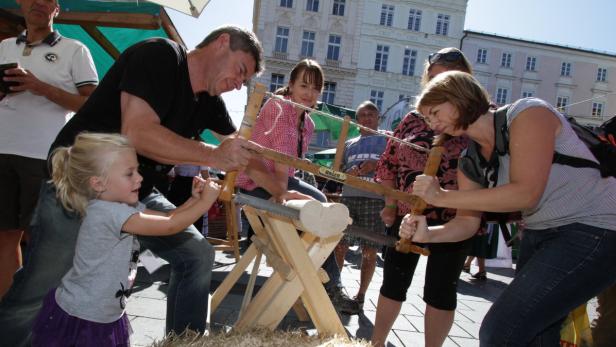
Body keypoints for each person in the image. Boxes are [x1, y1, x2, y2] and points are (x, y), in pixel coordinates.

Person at [0, 25, 263, 345]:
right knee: (39, 292)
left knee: (197, 256)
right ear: (222, 43)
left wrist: (282, 188)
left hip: (133, 187)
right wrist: (215, 156)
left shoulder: (208, 99)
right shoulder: (160, 55)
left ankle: (186, 343)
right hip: (80, 181)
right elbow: (137, 133)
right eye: (240, 71)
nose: (239, 85)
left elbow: (240, 152)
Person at [404, 70, 616, 345]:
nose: (432, 124)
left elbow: (526, 193)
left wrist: (442, 197)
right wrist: (427, 234)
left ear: (459, 97)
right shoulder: (471, 160)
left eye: (434, 112)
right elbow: (466, 224)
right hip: (542, 234)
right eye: (427, 118)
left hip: (597, 229)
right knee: (536, 337)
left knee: (499, 331)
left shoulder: (529, 113)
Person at [31, 133, 220, 346]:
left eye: (137, 170)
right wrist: (205, 203)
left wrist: (193, 200)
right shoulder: (108, 213)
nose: (139, 178)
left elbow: (168, 218)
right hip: (86, 318)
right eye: (129, 173)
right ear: (98, 183)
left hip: (104, 313)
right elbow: (170, 226)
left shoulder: (122, 208)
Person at [236, 59, 360, 315]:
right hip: (254, 179)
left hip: (279, 178)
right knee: (314, 205)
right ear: (290, 85)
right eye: (303, 85)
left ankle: (327, 284)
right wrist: (282, 193)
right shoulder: (280, 106)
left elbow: (289, 166)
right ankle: (327, 287)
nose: (309, 93)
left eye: (315, 89)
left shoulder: (309, 123)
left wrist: (289, 189)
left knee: (322, 204)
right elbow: (281, 158)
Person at [371, 47, 473, 347]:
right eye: (433, 80)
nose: (440, 87)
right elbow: (388, 161)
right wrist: (390, 205)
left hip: (456, 219)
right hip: (407, 215)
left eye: (448, 79)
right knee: (393, 281)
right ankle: (376, 343)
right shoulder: (414, 118)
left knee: (441, 290)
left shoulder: (478, 118)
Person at [0, 0, 97, 298]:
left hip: (47, 157)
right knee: (4, 239)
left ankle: (46, 318)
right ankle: (8, 316)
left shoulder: (75, 49)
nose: (39, 3)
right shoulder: (4, 46)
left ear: (57, 8)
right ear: (21, 3)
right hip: (2, 153)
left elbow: (92, 105)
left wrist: (39, 87)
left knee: (44, 241)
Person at [333, 101, 388, 309]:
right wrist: (348, 173)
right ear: (357, 121)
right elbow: (338, 172)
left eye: (371, 114)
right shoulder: (349, 143)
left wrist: (377, 165)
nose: (367, 118)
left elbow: (395, 167)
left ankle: (361, 295)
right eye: (363, 115)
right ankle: (336, 288)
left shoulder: (387, 140)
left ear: (378, 118)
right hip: (349, 197)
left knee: (369, 250)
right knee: (340, 245)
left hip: (375, 200)